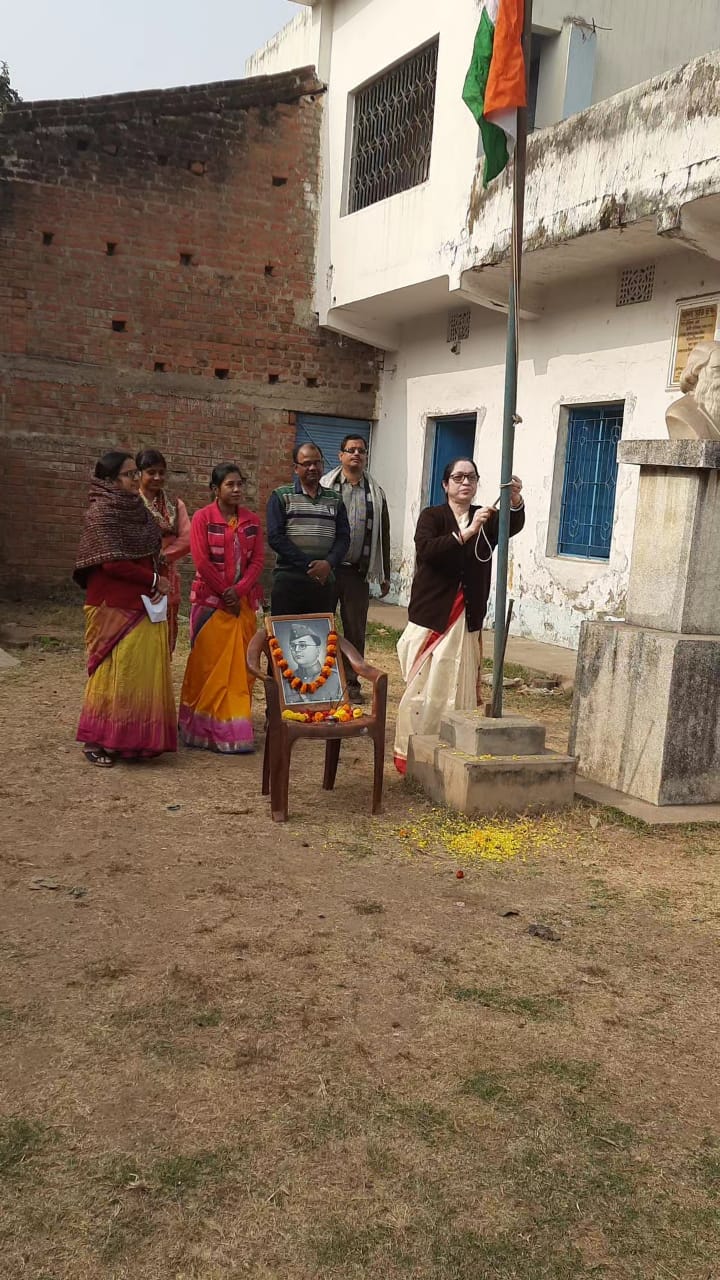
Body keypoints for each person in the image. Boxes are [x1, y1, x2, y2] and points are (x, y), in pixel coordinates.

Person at [393, 459, 525, 774]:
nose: (465, 482)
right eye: (458, 477)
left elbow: (512, 525)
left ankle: (453, 752)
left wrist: (515, 499)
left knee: (459, 685)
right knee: (426, 689)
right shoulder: (432, 516)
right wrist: (468, 532)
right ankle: (413, 754)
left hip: (467, 617)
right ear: (446, 484)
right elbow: (428, 550)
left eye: (471, 477)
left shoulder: (485, 516)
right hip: (432, 616)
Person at [74, 450, 177, 767]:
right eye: (129, 474)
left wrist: (156, 582)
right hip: (112, 604)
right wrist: (155, 579)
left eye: (136, 473)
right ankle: (97, 739)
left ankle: (133, 741)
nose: (136, 479)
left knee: (139, 675)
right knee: (112, 674)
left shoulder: (138, 510)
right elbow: (111, 563)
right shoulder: (101, 512)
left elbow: (151, 551)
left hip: (144, 601)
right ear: (110, 480)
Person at [178, 463, 263, 754]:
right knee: (206, 667)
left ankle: (234, 731)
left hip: (242, 605)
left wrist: (238, 591)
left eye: (240, 484)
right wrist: (226, 594)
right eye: (230, 484)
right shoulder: (202, 518)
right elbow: (201, 561)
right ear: (216, 489)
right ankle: (200, 729)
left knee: (240, 668)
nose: (237, 489)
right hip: (210, 604)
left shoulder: (252, 521)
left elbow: (257, 562)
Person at [322, 433, 391, 704]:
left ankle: (351, 683)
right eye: (351, 450)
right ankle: (323, 681)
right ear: (340, 455)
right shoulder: (326, 488)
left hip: (357, 572)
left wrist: (384, 573)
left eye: (361, 450)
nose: (356, 454)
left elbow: (383, 534)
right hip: (327, 570)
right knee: (322, 625)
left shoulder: (375, 493)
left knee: (355, 630)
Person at [266, 442, 350, 616]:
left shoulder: (336, 499)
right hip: (288, 581)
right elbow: (275, 537)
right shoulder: (281, 496)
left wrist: (328, 563)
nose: (312, 468)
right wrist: (308, 565)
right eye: (306, 464)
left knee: (321, 631)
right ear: (296, 468)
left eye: (317, 463)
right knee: (285, 631)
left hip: (323, 582)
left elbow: (344, 537)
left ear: (323, 465)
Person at [136, 448, 191, 653]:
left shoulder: (175, 505)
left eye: (161, 472)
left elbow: (187, 539)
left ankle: (163, 669)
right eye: (151, 472)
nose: (157, 477)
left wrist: (163, 556)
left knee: (165, 633)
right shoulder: (130, 502)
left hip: (167, 572)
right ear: (139, 473)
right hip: (137, 573)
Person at [281, 621, 343, 704]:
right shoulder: (286, 681)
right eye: (293, 646)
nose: (296, 650)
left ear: (317, 650)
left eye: (302, 645)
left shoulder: (335, 678)